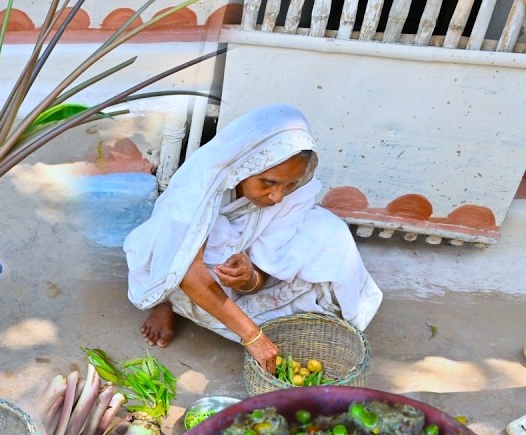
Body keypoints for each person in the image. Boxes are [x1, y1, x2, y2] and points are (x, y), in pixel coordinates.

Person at [124, 104, 382, 372]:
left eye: (289, 184)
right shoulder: (198, 187)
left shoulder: (293, 193)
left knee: (330, 232)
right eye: (268, 182)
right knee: (178, 271)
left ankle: (232, 312)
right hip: (188, 266)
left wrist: (249, 278)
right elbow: (187, 270)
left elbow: (265, 267)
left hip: (237, 262)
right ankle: (167, 303)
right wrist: (253, 336)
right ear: (243, 166)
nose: (278, 196)